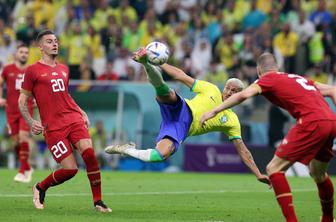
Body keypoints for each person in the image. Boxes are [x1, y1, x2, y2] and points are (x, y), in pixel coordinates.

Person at [201, 52, 336, 222]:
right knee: (318, 174)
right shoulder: (297, 78)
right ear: (277, 67)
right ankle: (328, 218)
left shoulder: (266, 80)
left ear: (259, 70)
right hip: (331, 121)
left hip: (312, 121)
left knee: (274, 169)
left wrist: (214, 110)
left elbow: (243, 95)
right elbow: (332, 89)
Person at [105, 47, 270, 186]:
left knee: (158, 156)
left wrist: (257, 173)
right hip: (183, 109)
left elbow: (243, 150)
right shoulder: (211, 89)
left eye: (235, 91)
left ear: (240, 96)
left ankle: (127, 149)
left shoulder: (232, 121)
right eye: (229, 88)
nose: (230, 92)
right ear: (223, 88)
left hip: (180, 128)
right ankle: (145, 63)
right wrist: (161, 63)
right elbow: (180, 76)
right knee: (164, 90)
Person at [18, 30, 111, 213]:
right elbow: (22, 101)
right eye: (49, 41)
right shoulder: (32, 71)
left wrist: (81, 111)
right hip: (53, 127)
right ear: (40, 46)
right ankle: (40, 187)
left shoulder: (64, 69)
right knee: (70, 170)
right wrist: (30, 122)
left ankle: (98, 201)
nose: (54, 44)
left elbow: (65, 95)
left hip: (73, 119)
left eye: (56, 41)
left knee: (90, 154)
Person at [0, 44, 34, 183]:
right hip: (11, 110)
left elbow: (38, 86)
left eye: (26, 52)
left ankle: (22, 171)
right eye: (22, 52)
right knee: (16, 143)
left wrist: (38, 99)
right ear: (16, 54)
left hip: (26, 109)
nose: (24, 54)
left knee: (23, 136)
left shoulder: (31, 70)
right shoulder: (8, 69)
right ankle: (28, 167)